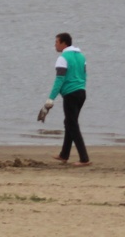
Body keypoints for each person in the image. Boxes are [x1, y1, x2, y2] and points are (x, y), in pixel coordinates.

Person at [39, 32, 89, 165]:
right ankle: (64, 154)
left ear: (63, 43)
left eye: (56, 42)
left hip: (71, 95)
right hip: (81, 93)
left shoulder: (63, 58)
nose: (55, 45)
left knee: (72, 124)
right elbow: (84, 76)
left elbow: (59, 80)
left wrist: (50, 99)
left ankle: (84, 159)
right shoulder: (81, 56)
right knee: (69, 123)